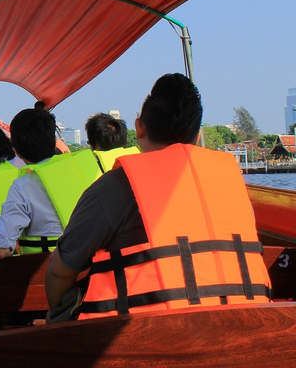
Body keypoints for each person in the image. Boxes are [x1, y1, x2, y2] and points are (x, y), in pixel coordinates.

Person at [45, 73, 271, 321]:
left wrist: (57, 314)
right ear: (196, 136)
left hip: (144, 338)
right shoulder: (233, 184)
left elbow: (59, 273)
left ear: (139, 127)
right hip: (245, 324)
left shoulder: (113, 188)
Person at [0, 103, 62, 259]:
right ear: (53, 140)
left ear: (16, 151)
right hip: (89, 266)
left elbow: (1, 251)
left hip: (46, 271)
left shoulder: (22, 186)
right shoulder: (85, 172)